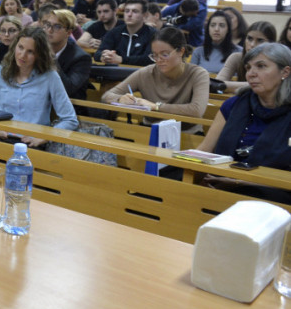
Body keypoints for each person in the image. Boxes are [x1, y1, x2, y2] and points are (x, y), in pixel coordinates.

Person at [196, 43, 291, 202]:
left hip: (274, 194)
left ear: (285, 72)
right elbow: (205, 150)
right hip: (221, 181)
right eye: (248, 68)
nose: (251, 74)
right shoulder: (234, 104)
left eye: (261, 66)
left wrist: (238, 182)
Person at [102, 27, 210, 133]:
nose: (159, 60)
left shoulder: (198, 74)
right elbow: (107, 96)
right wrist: (120, 99)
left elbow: (196, 110)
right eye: (155, 55)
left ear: (181, 51)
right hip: (150, 131)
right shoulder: (146, 73)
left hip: (187, 133)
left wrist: (156, 106)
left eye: (164, 54)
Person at [0, 26, 78, 146]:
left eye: (30, 52)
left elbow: (70, 120)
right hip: (0, 139)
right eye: (20, 47)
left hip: (31, 143)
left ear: (39, 55)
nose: (22, 55)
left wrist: (44, 137)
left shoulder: (50, 77)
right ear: (14, 46)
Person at [40, 9, 92, 103]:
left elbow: (68, 89)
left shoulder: (82, 58)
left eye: (57, 26)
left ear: (68, 33)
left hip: (70, 108)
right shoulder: (37, 49)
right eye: (47, 25)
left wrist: (51, 57)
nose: (49, 30)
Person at [94, 0, 155, 66]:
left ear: (145, 15)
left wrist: (121, 59)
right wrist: (104, 56)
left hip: (141, 74)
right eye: (127, 11)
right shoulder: (114, 32)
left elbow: (149, 59)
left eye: (135, 11)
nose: (129, 15)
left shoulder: (153, 34)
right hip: (115, 73)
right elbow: (97, 53)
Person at [217, 21, 276, 92]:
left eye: (260, 40)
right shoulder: (237, 57)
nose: (252, 44)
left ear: (271, 44)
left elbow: (266, 86)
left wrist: (226, 86)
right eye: (249, 39)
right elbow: (217, 84)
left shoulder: (276, 62)